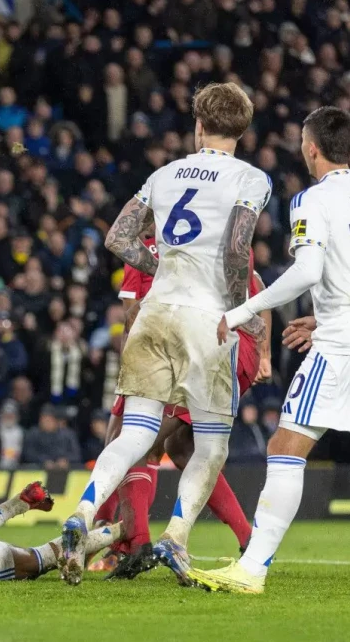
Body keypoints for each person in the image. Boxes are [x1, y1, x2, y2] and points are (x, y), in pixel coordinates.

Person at [190, 107, 350, 594]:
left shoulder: (311, 200)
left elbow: (307, 272)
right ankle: (251, 567)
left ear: (311, 148)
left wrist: (239, 312)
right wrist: (326, 316)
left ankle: (251, 570)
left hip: (344, 347)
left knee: (284, 448)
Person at [61, 83, 270, 586]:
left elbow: (117, 238)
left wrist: (156, 264)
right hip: (207, 320)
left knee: (135, 433)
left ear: (199, 125)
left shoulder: (164, 174)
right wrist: (242, 311)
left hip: (155, 314)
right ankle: (175, 538)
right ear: (242, 130)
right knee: (211, 443)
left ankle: (83, 514)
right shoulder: (251, 178)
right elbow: (238, 249)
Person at [91, 235, 268, 578]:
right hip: (226, 348)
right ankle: (248, 540)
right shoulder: (213, 232)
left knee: (141, 443)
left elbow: (134, 316)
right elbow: (259, 285)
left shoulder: (157, 247)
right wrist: (265, 352)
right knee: (181, 447)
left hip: (212, 350)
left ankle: (136, 543)